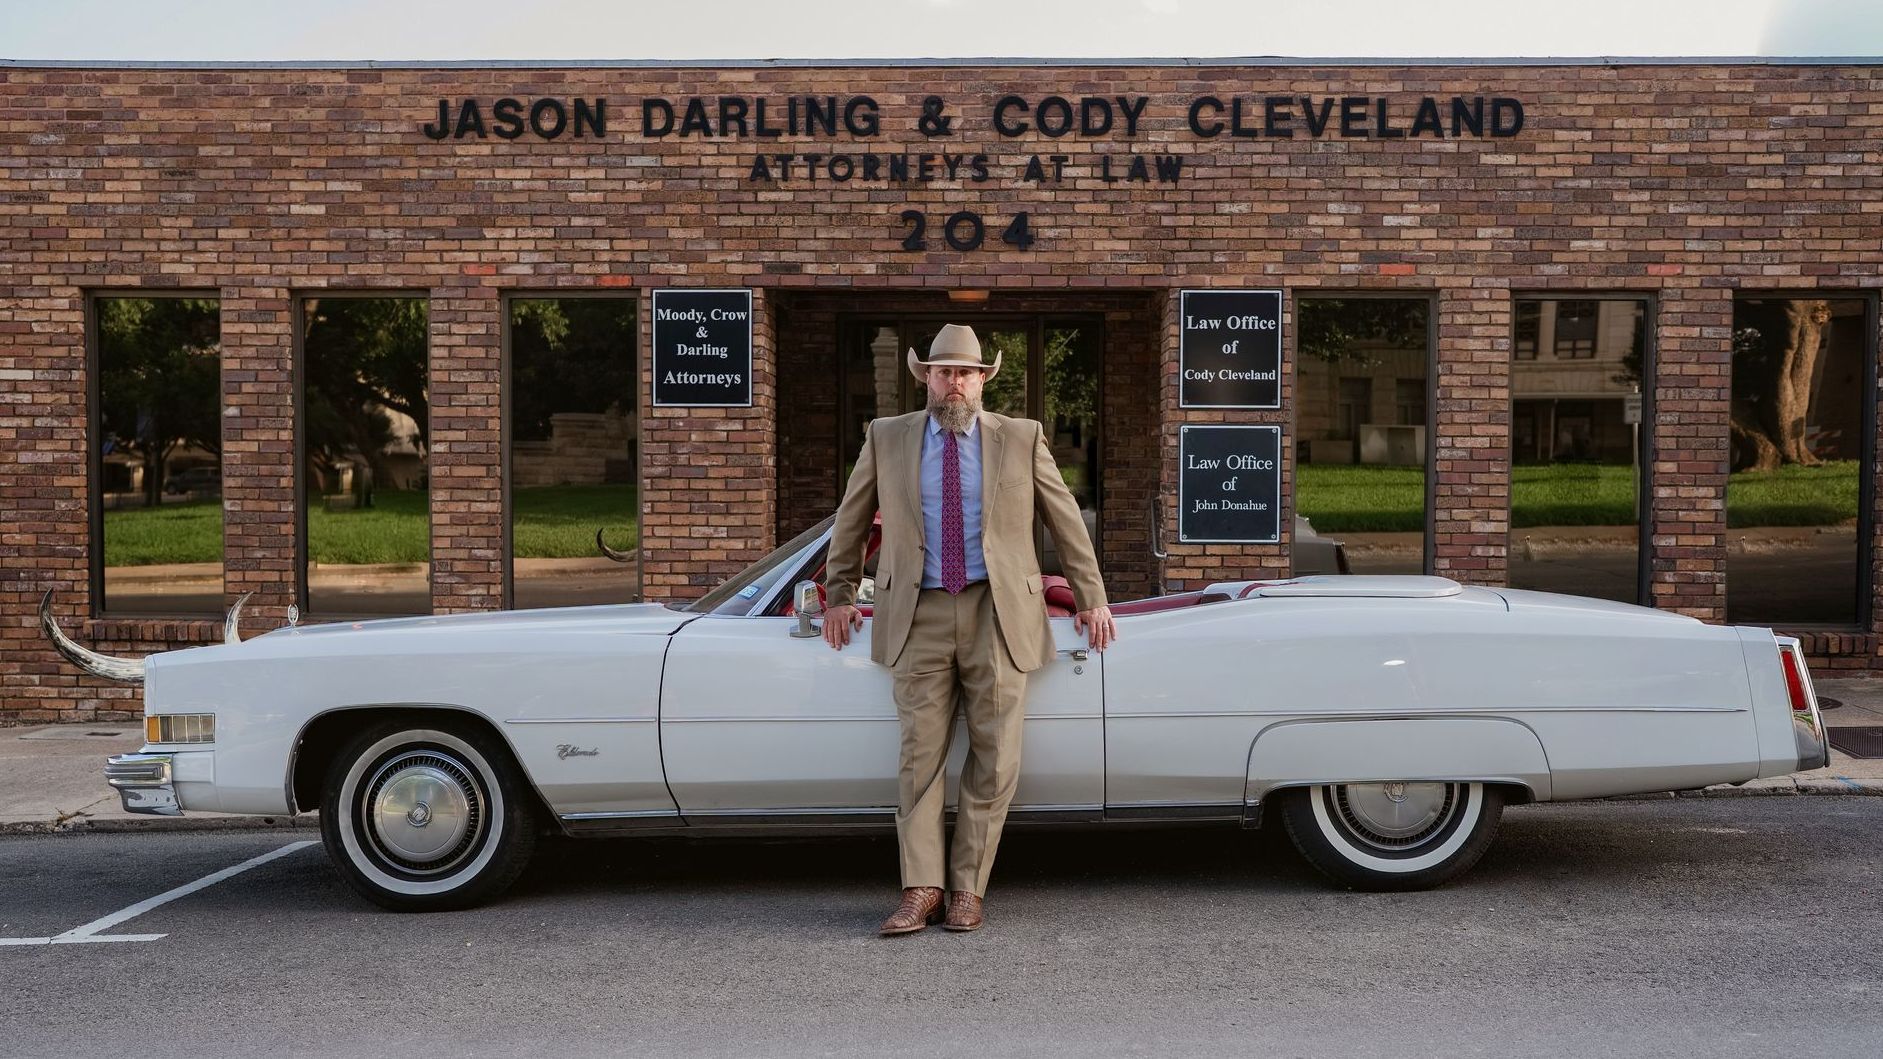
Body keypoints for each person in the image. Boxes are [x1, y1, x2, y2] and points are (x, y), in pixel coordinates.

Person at [822, 323, 1115, 936]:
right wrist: (841, 594)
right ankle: (920, 888)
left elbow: (1065, 520)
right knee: (917, 758)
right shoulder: (887, 437)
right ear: (924, 378)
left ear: (983, 380)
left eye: (965, 373)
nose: (954, 383)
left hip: (998, 611)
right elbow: (850, 521)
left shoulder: (1021, 437)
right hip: (918, 610)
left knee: (996, 756)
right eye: (942, 371)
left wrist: (1091, 597)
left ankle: (967, 889)